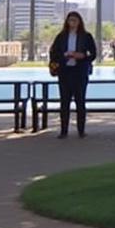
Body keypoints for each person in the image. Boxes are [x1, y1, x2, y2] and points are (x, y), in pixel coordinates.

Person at [47, 11, 98, 139]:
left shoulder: (86, 36)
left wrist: (82, 56)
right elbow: (53, 53)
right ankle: (64, 131)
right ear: (67, 22)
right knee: (64, 102)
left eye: (75, 20)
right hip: (65, 72)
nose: (73, 23)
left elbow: (93, 54)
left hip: (79, 72)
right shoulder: (61, 36)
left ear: (79, 22)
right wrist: (64, 55)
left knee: (80, 101)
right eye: (70, 20)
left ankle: (81, 130)